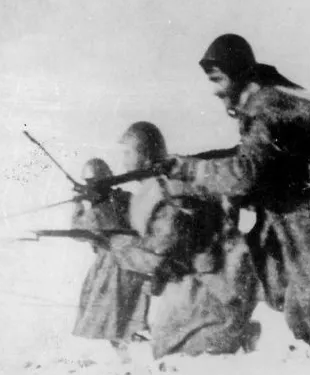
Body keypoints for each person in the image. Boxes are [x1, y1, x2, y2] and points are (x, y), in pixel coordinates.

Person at [160, 35, 310, 375]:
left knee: (308, 315)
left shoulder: (266, 110)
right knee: (309, 313)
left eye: (218, 80)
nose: (216, 91)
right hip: (309, 228)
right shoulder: (268, 104)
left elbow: (245, 174)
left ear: (237, 74)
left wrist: (190, 170)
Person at [109, 122, 259, 360]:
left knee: (173, 350)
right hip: (199, 281)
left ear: (145, 154)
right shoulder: (157, 188)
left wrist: (118, 245)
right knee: (167, 342)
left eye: (128, 152)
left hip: (210, 284)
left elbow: (164, 247)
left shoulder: (167, 187)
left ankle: (239, 335)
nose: (124, 160)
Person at [71, 158, 151, 362]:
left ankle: (128, 358)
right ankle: (131, 355)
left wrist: (78, 205)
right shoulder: (127, 198)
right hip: (135, 262)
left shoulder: (95, 213)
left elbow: (77, 233)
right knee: (129, 313)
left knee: (111, 317)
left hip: (112, 267)